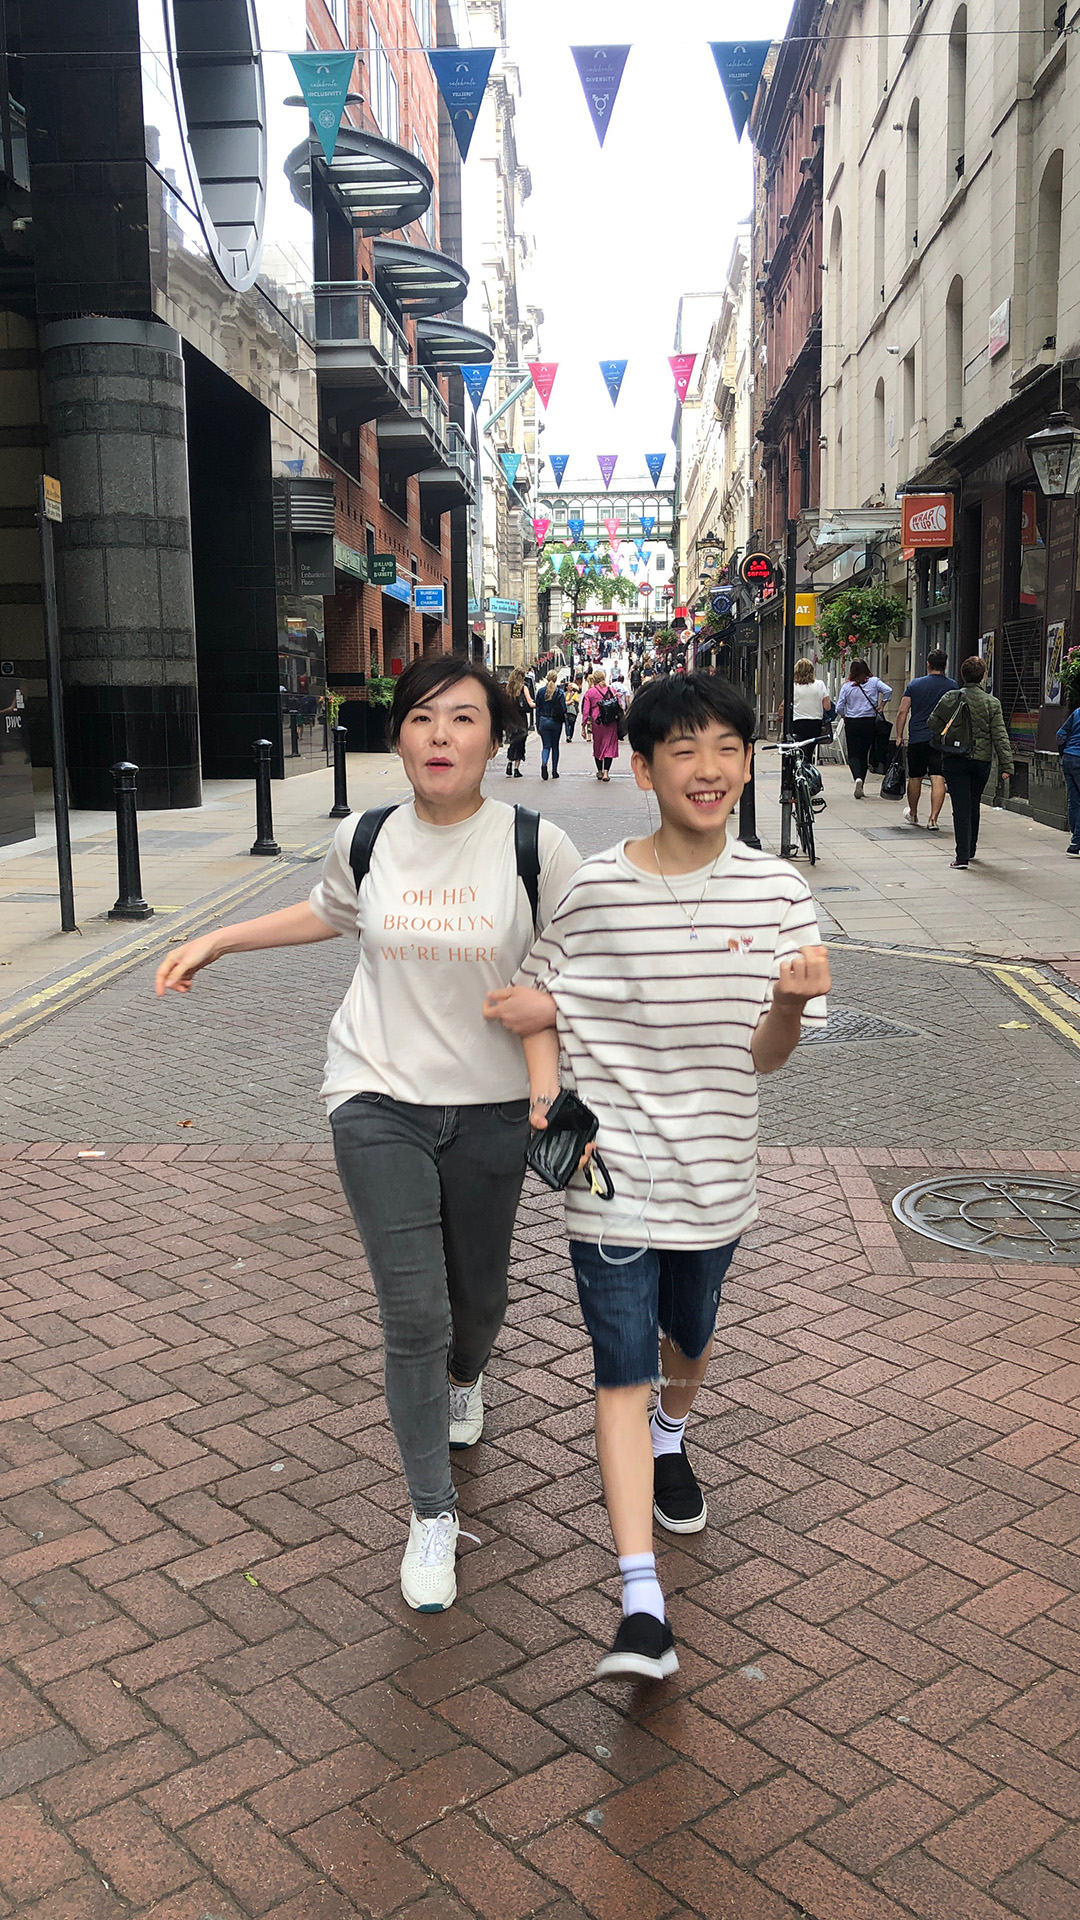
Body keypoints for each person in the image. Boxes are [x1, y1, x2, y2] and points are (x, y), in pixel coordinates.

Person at [156, 657, 580, 1613]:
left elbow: (577, 963)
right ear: (397, 737)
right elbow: (326, 912)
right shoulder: (368, 835)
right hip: (375, 1095)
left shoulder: (536, 846)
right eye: (422, 718)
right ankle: (432, 1514)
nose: (441, 736)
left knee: (478, 1303)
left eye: (463, 719)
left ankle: (467, 1378)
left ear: (495, 738)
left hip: (493, 1107)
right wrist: (218, 939)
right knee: (413, 1313)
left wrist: (550, 1052)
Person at [485, 674, 829, 1681]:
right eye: (683, 749)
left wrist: (789, 1008)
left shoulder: (779, 892)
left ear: (749, 764)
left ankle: (675, 1435)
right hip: (612, 1183)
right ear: (643, 769)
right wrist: (545, 1085)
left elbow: (765, 1058)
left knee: (693, 1334)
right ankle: (641, 1602)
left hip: (718, 1176)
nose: (707, 768)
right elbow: (534, 995)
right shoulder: (595, 889)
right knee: (620, 1370)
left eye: (727, 748)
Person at [930, 656, 1013, 869]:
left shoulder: (951, 698)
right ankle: (971, 848)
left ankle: (962, 856)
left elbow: (932, 722)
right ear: (983, 676)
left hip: (955, 758)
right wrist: (1007, 764)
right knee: (974, 803)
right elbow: (1000, 735)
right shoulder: (992, 703)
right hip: (981, 760)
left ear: (963, 675)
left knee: (960, 806)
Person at [894, 648, 958, 829]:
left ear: (928, 664)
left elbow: (902, 711)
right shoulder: (952, 686)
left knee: (915, 777)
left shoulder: (915, 685)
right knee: (938, 777)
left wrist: (899, 735)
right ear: (945, 665)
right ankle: (933, 819)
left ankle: (913, 813)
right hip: (940, 739)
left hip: (917, 738)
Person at [834, 658, 892, 797]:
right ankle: (862, 782)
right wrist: (881, 705)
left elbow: (839, 707)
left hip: (852, 722)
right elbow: (888, 690)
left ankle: (857, 778)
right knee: (864, 753)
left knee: (853, 754)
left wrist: (844, 715)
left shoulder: (847, 687)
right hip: (869, 722)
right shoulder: (874, 682)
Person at [785, 658, 833, 762]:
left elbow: (784, 705)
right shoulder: (820, 684)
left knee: (800, 748)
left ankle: (801, 764)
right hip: (815, 724)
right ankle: (807, 764)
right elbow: (827, 707)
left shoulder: (793, 686)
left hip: (798, 723)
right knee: (810, 749)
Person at [582, 668, 622, 781]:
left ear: (594, 680)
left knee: (598, 745)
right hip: (610, 721)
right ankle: (606, 772)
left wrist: (583, 726)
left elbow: (585, 710)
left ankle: (599, 771)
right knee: (609, 745)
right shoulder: (611, 690)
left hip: (597, 721)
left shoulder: (590, 692)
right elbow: (619, 704)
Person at [535, 670, 568, 780]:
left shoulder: (541, 692)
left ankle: (544, 763)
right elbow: (564, 708)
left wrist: (537, 724)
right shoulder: (559, 692)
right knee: (555, 746)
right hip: (556, 722)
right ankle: (554, 771)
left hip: (544, 720)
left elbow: (537, 709)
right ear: (556, 678)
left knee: (546, 746)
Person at [1057, 702, 1080, 857]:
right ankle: (1076, 842)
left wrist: (1063, 752)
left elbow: (1060, 734)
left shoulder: (1077, 712)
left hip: (1069, 757)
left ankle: (1074, 839)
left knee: (1074, 800)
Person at [504, 668, 530, 777]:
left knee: (513, 741)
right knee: (520, 743)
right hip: (521, 719)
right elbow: (530, 703)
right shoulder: (523, 688)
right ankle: (516, 769)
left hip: (511, 719)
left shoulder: (508, 688)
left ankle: (509, 763)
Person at [564, 677, 582, 743]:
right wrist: (569, 702)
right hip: (566, 711)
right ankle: (568, 736)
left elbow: (575, 701)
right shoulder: (564, 694)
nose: (571, 687)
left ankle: (570, 736)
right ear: (566, 687)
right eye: (569, 686)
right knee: (566, 723)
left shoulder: (574, 694)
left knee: (572, 724)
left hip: (573, 711)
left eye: (571, 686)